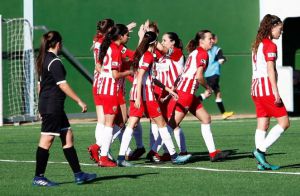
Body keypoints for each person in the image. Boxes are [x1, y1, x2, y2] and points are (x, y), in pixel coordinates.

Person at [116, 31, 192, 167]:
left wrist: (167, 89)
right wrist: (140, 98)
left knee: (131, 125)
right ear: (154, 43)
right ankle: (175, 156)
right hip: (146, 96)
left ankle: (121, 158)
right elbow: (140, 77)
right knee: (162, 124)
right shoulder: (148, 56)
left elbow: (150, 78)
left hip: (138, 94)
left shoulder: (144, 55)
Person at [33, 31, 96, 186]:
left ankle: (79, 174)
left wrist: (40, 106)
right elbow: (62, 85)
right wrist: (79, 101)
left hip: (51, 106)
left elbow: (39, 86)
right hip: (52, 106)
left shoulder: (43, 59)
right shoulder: (53, 61)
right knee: (47, 140)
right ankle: (39, 177)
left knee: (67, 136)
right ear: (58, 44)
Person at [168, 30, 229, 162]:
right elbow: (199, 76)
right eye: (209, 39)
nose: (212, 41)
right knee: (172, 124)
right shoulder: (202, 53)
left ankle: (213, 153)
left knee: (206, 118)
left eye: (212, 38)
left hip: (187, 92)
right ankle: (159, 152)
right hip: (186, 93)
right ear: (201, 41)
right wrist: (207, 87)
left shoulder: (195, 52)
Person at [251, 14, 290, 170]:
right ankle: (260, 150)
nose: (281, 32)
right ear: (272, 27)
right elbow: (270, 70)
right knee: (284, 122)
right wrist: (276, 92)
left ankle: (261, 162)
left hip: (255, 88)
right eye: (280, 29)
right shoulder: (269, 45)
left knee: (263, 123)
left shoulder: (257, 44)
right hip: (266, 88)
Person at [97, 24, 133, 167]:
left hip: (104, 88)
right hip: (110, 89)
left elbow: (101, 67)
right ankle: (103, 156)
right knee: (109, 124)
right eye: (127, 35)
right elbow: (115, 74)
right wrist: (129, 72)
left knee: (112, 123)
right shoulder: (115, 49)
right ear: (120, 36)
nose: (128, 37)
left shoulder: (109, 46)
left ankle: (101, 152)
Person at [203, 34, 234, 120]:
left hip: (208, 74)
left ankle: (223, 113)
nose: (215, 40)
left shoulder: (206, 50)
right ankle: (192, 105)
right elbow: (220, 60)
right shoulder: (217, 49)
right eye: (213, 38)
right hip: (213, 74)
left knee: (218, 93)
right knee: (208, 92)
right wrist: (224, 59)